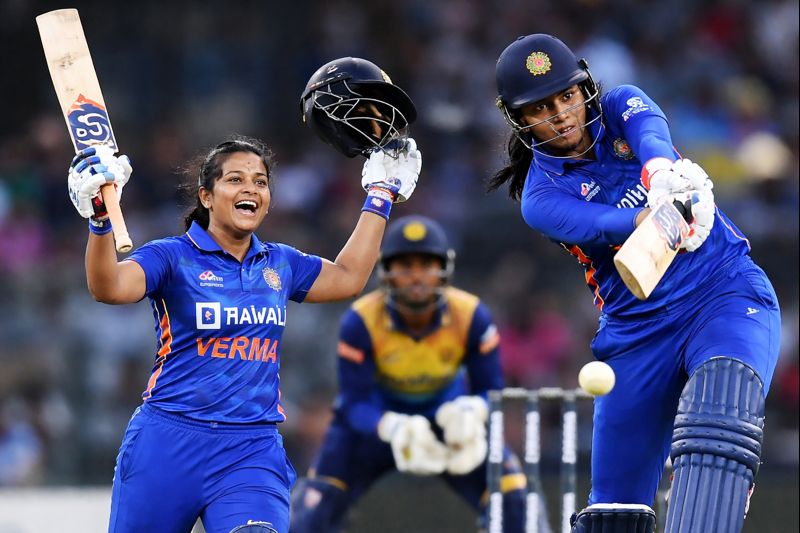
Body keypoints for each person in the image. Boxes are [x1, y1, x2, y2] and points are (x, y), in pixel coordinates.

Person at [65, 58, 421, 533]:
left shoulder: (280, 263)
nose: (250, 188)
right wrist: (99, 221)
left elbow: (349, 277)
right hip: (167, 444)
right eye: (234, 179)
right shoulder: (172, 256)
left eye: (260, 181)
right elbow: (108, 286)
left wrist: (381, 194)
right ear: (206, 196)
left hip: (250, 449)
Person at [490, 34, 780, 533]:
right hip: (637, 333)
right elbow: (610, 224)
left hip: (724, 293)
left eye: (567, 96)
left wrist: (663, 173)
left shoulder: (620, 104)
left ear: (584, 89)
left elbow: (649, 132)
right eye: (540, 108)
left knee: (720, 411)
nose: (561, 115)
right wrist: (662, 213)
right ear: (518, 119)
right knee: (614, 516)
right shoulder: (541, 198)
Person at [289, 214, 530, 533]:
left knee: (514, 497)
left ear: (445, 268)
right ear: (386, 271)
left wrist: (472, 411)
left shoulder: (471, 314)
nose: (416, 277)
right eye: (405, 266)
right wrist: (390, 426)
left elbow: (491, 390)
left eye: (426, 265)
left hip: (449, 423)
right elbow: (353, 403)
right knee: (313, 506)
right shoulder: (361, 319)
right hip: (377, 427)